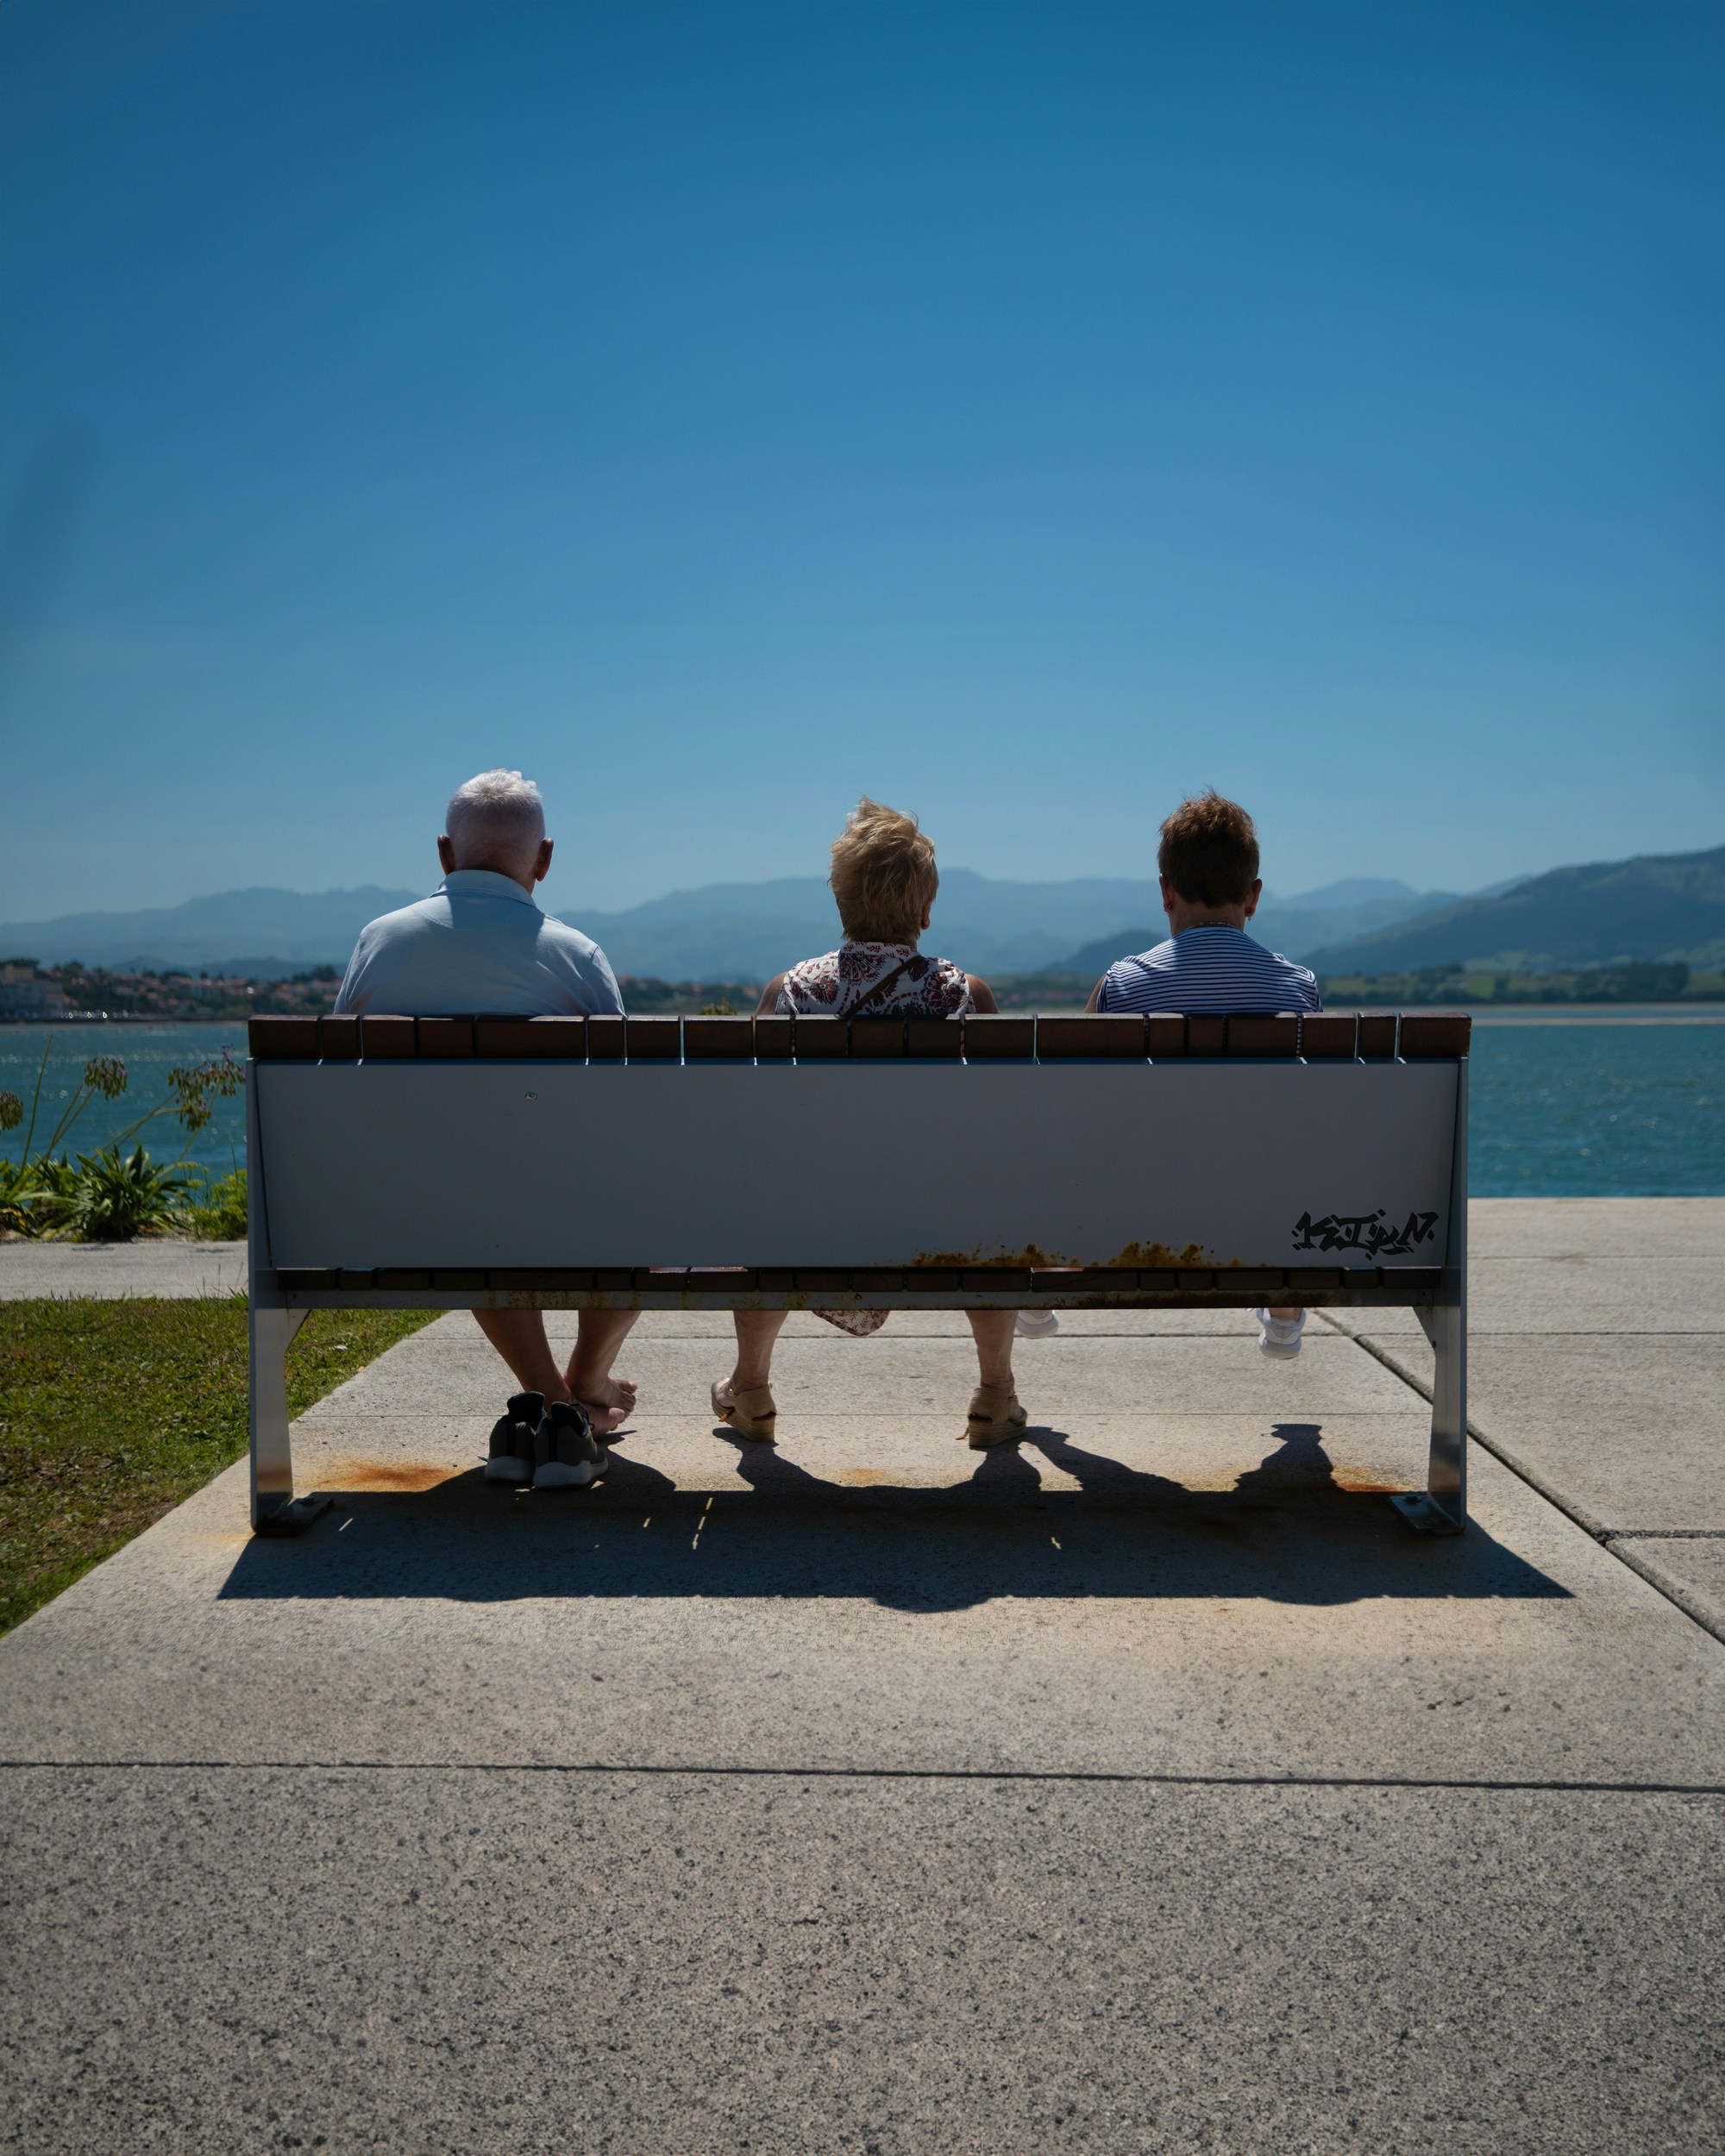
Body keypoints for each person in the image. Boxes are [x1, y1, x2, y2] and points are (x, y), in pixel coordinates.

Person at [334, 768, 640, 1484]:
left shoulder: (379, 944)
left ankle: (554, 1405)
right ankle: (574, 1401)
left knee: (469, 1202)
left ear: (445, 854)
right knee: (629, 1207)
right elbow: (632, 1117)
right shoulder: (575, 956)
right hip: (566, 1216)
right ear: (545, 859)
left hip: (403, 1218)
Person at [710, 797, 1032, 1450]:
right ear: (926, 911)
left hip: (811, 1222)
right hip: (944, 1221)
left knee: (765, 1198)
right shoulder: (965, 997)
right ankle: (995, 1394)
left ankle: (749, 1389)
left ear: (841, 904)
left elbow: (751, 1125)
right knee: (990, 1199)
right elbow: (1006, 1129)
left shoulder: (790, 994)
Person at [1087, 790, 1320, 1360]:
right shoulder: (1298, 989)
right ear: (1253, 896)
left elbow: (1077, 1110)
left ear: (1165, 891)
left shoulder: (1124, 985)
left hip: (1140, 1219)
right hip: (1265, 1218)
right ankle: (1284, 1305)